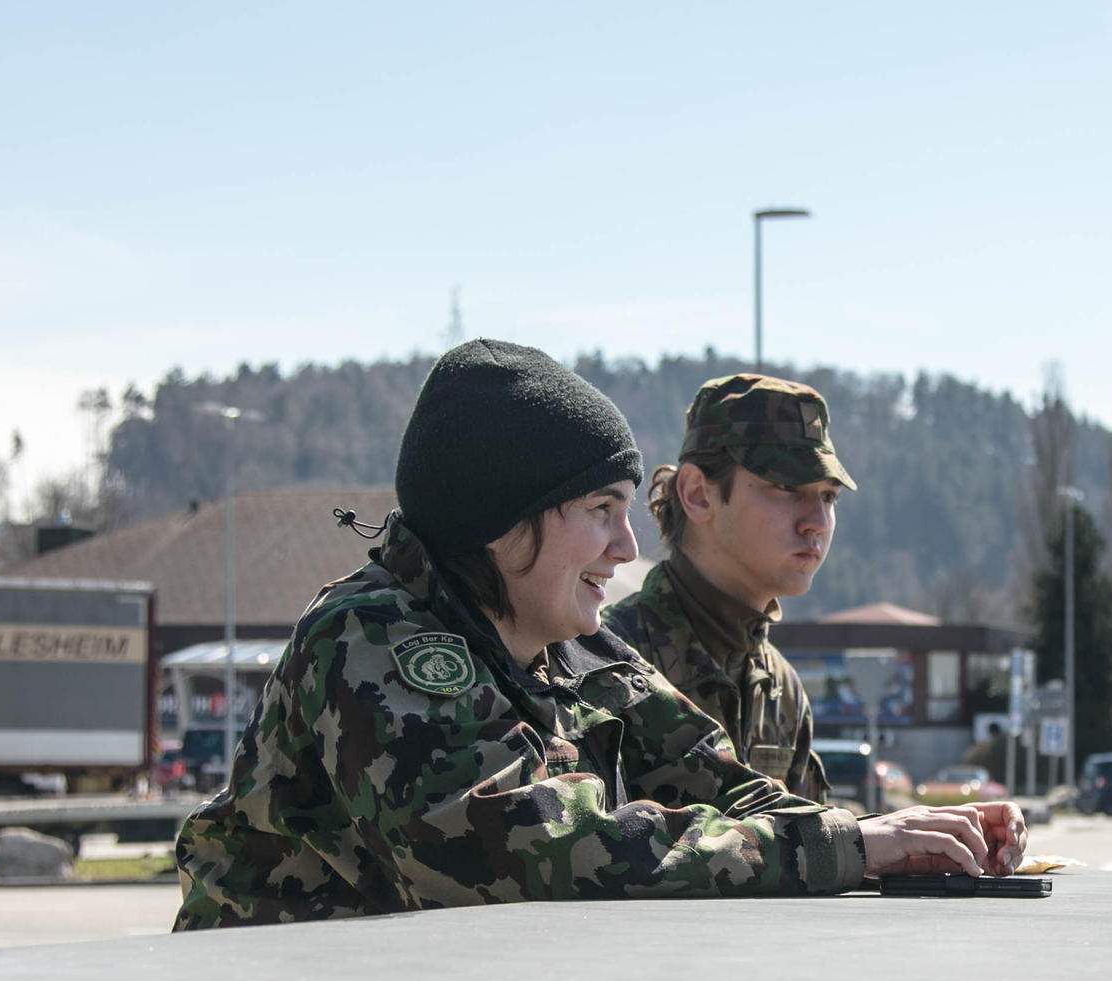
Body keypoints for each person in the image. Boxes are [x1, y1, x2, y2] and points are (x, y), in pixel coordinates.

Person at [175, 341, 1021, 928]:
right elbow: (526, 849)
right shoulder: (374, 640)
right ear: (506, 521)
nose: (626, 546)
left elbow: (734, 792)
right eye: (599, 512)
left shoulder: (576, 651)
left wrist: (908, 840)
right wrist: (846, 846)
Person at [605, 373, 845, 799]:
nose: (817, 522)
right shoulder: (608, 661)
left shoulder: (781, 688)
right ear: (698, 494)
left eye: (828, 496)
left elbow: (813, 854)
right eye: (788, 488)